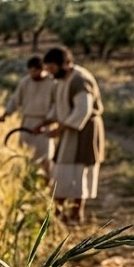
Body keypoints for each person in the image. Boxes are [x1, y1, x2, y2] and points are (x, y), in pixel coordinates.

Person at [39, 46, 104, 224]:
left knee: (78, 169)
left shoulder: (80, 80)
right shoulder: (61, 80)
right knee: (62, 169)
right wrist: (46, 122)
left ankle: (76, 212)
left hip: (83, 131)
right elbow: (59, 107)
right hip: (68, 129)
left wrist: (59, 129)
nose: (50, 73)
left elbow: (83, 110)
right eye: (48, 69)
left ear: (66, 64)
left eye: (52, 68)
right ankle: (59, 211)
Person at [0, 56, 57, 183]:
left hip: (45, 123)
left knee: (45, 157)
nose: (33, 74)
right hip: (27, 122)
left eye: (36, 71)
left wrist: (47, 121)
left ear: (43, 69)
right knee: (25, 155)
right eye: (30, 71)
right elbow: (15, 99)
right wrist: (6, 113)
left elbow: (56, 105)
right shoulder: (25, 82)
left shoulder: (52, 83)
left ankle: (47, 184)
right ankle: (27, 183)